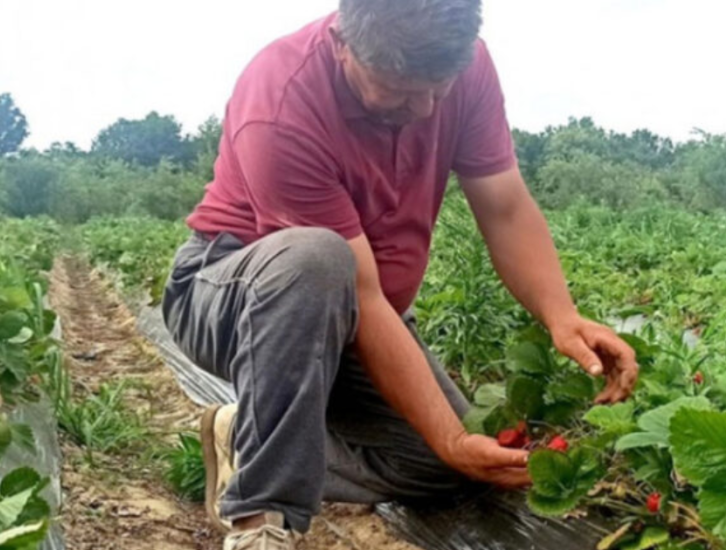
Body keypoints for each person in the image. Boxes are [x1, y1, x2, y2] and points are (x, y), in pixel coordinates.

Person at [162, 1, 640, 548]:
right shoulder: (282, 99)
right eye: (398, 89)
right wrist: (450, 437)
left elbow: (504, 205)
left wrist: (562, 315)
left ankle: (245, 438)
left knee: (448, 463)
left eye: (438, 86)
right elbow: (356, 291)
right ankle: (261, 518)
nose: (425, 107)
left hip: (357, 315)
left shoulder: (465, 68)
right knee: (316, 259)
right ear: (344, 44)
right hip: (231, 294)